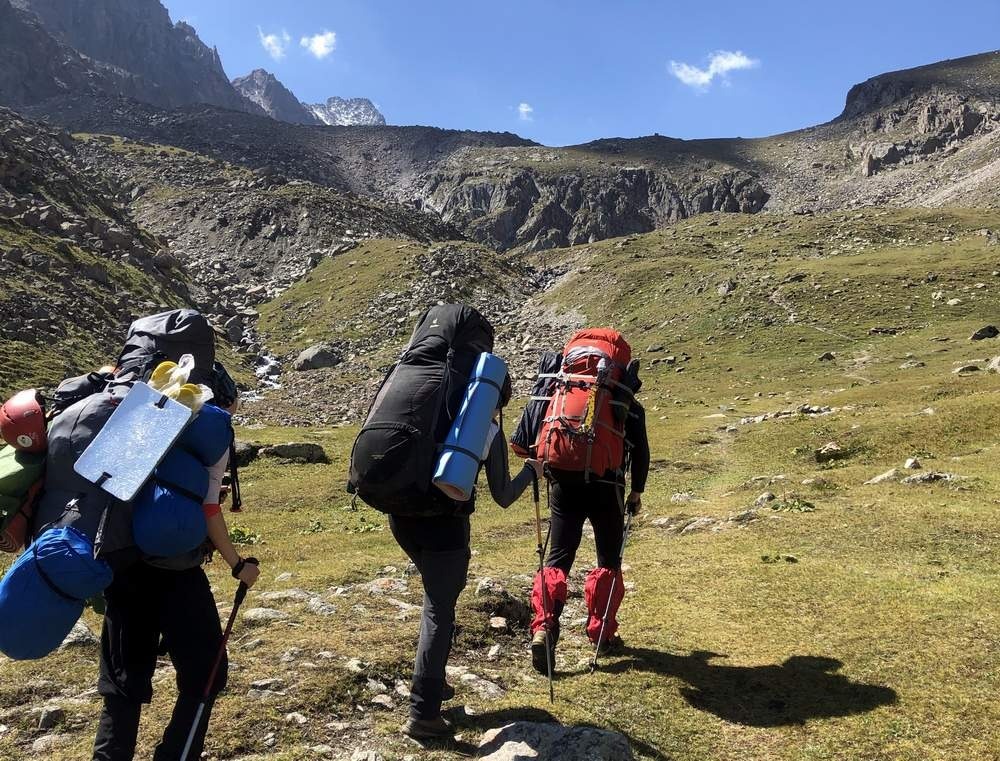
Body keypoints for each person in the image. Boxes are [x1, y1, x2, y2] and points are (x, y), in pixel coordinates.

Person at [92, 362, 261, 761]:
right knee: (206, 675)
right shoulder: (213, 435)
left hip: (126, 570)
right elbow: (208, 511)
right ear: (225, 401)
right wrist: (238, 564)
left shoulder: (143, 415)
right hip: (179, 576)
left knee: (122, 685)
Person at [390, 373, 543, 741]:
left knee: (437, 599)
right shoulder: (484, 429)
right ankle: (423, 713)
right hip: (445, 529)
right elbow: (503, 496)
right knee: (438, 612)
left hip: (401, 517)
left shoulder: (430, 409)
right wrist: (530, 471)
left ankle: (434, 681)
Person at [529, 388, 650, 673]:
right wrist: (636, 493)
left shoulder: (564, 391)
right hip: (608, 488)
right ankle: (601, 634)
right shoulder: (625, 401)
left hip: (564, 484)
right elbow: (641, 451)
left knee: (557, 558)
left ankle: (545, 626)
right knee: (609, 559)